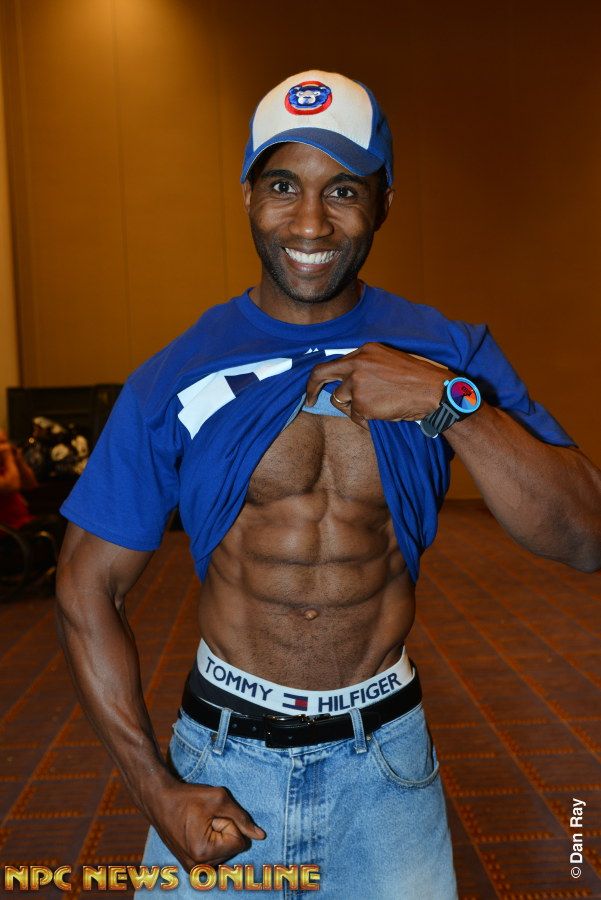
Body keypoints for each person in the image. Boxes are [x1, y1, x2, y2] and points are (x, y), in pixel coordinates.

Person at [55, 71, 601, 898]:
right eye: (283, 186)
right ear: (247, 195)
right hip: (219, 757)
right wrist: (153, 786)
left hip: (385, 761)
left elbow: (585, 535)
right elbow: (83, 586)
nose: (310, 223)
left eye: (342, 190)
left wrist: (449, 404)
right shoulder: (177, 375)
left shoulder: (447, 354)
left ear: (383, 203)